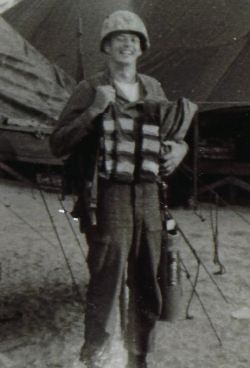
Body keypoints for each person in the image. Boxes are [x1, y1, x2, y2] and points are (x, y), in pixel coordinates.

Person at [50, 10, 197, 368]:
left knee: (148, 280)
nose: (126, 43)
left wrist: (181, 148)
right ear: (107, 46)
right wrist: (93, 111)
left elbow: (173, 134)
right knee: (106, 282)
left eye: (133, 39)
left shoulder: (153, 88)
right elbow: (58, 143)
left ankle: (139, 355)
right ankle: (97, 355)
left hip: (149, 196)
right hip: (108, 195)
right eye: (119, 38)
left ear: (141, 47)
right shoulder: (91, 88)